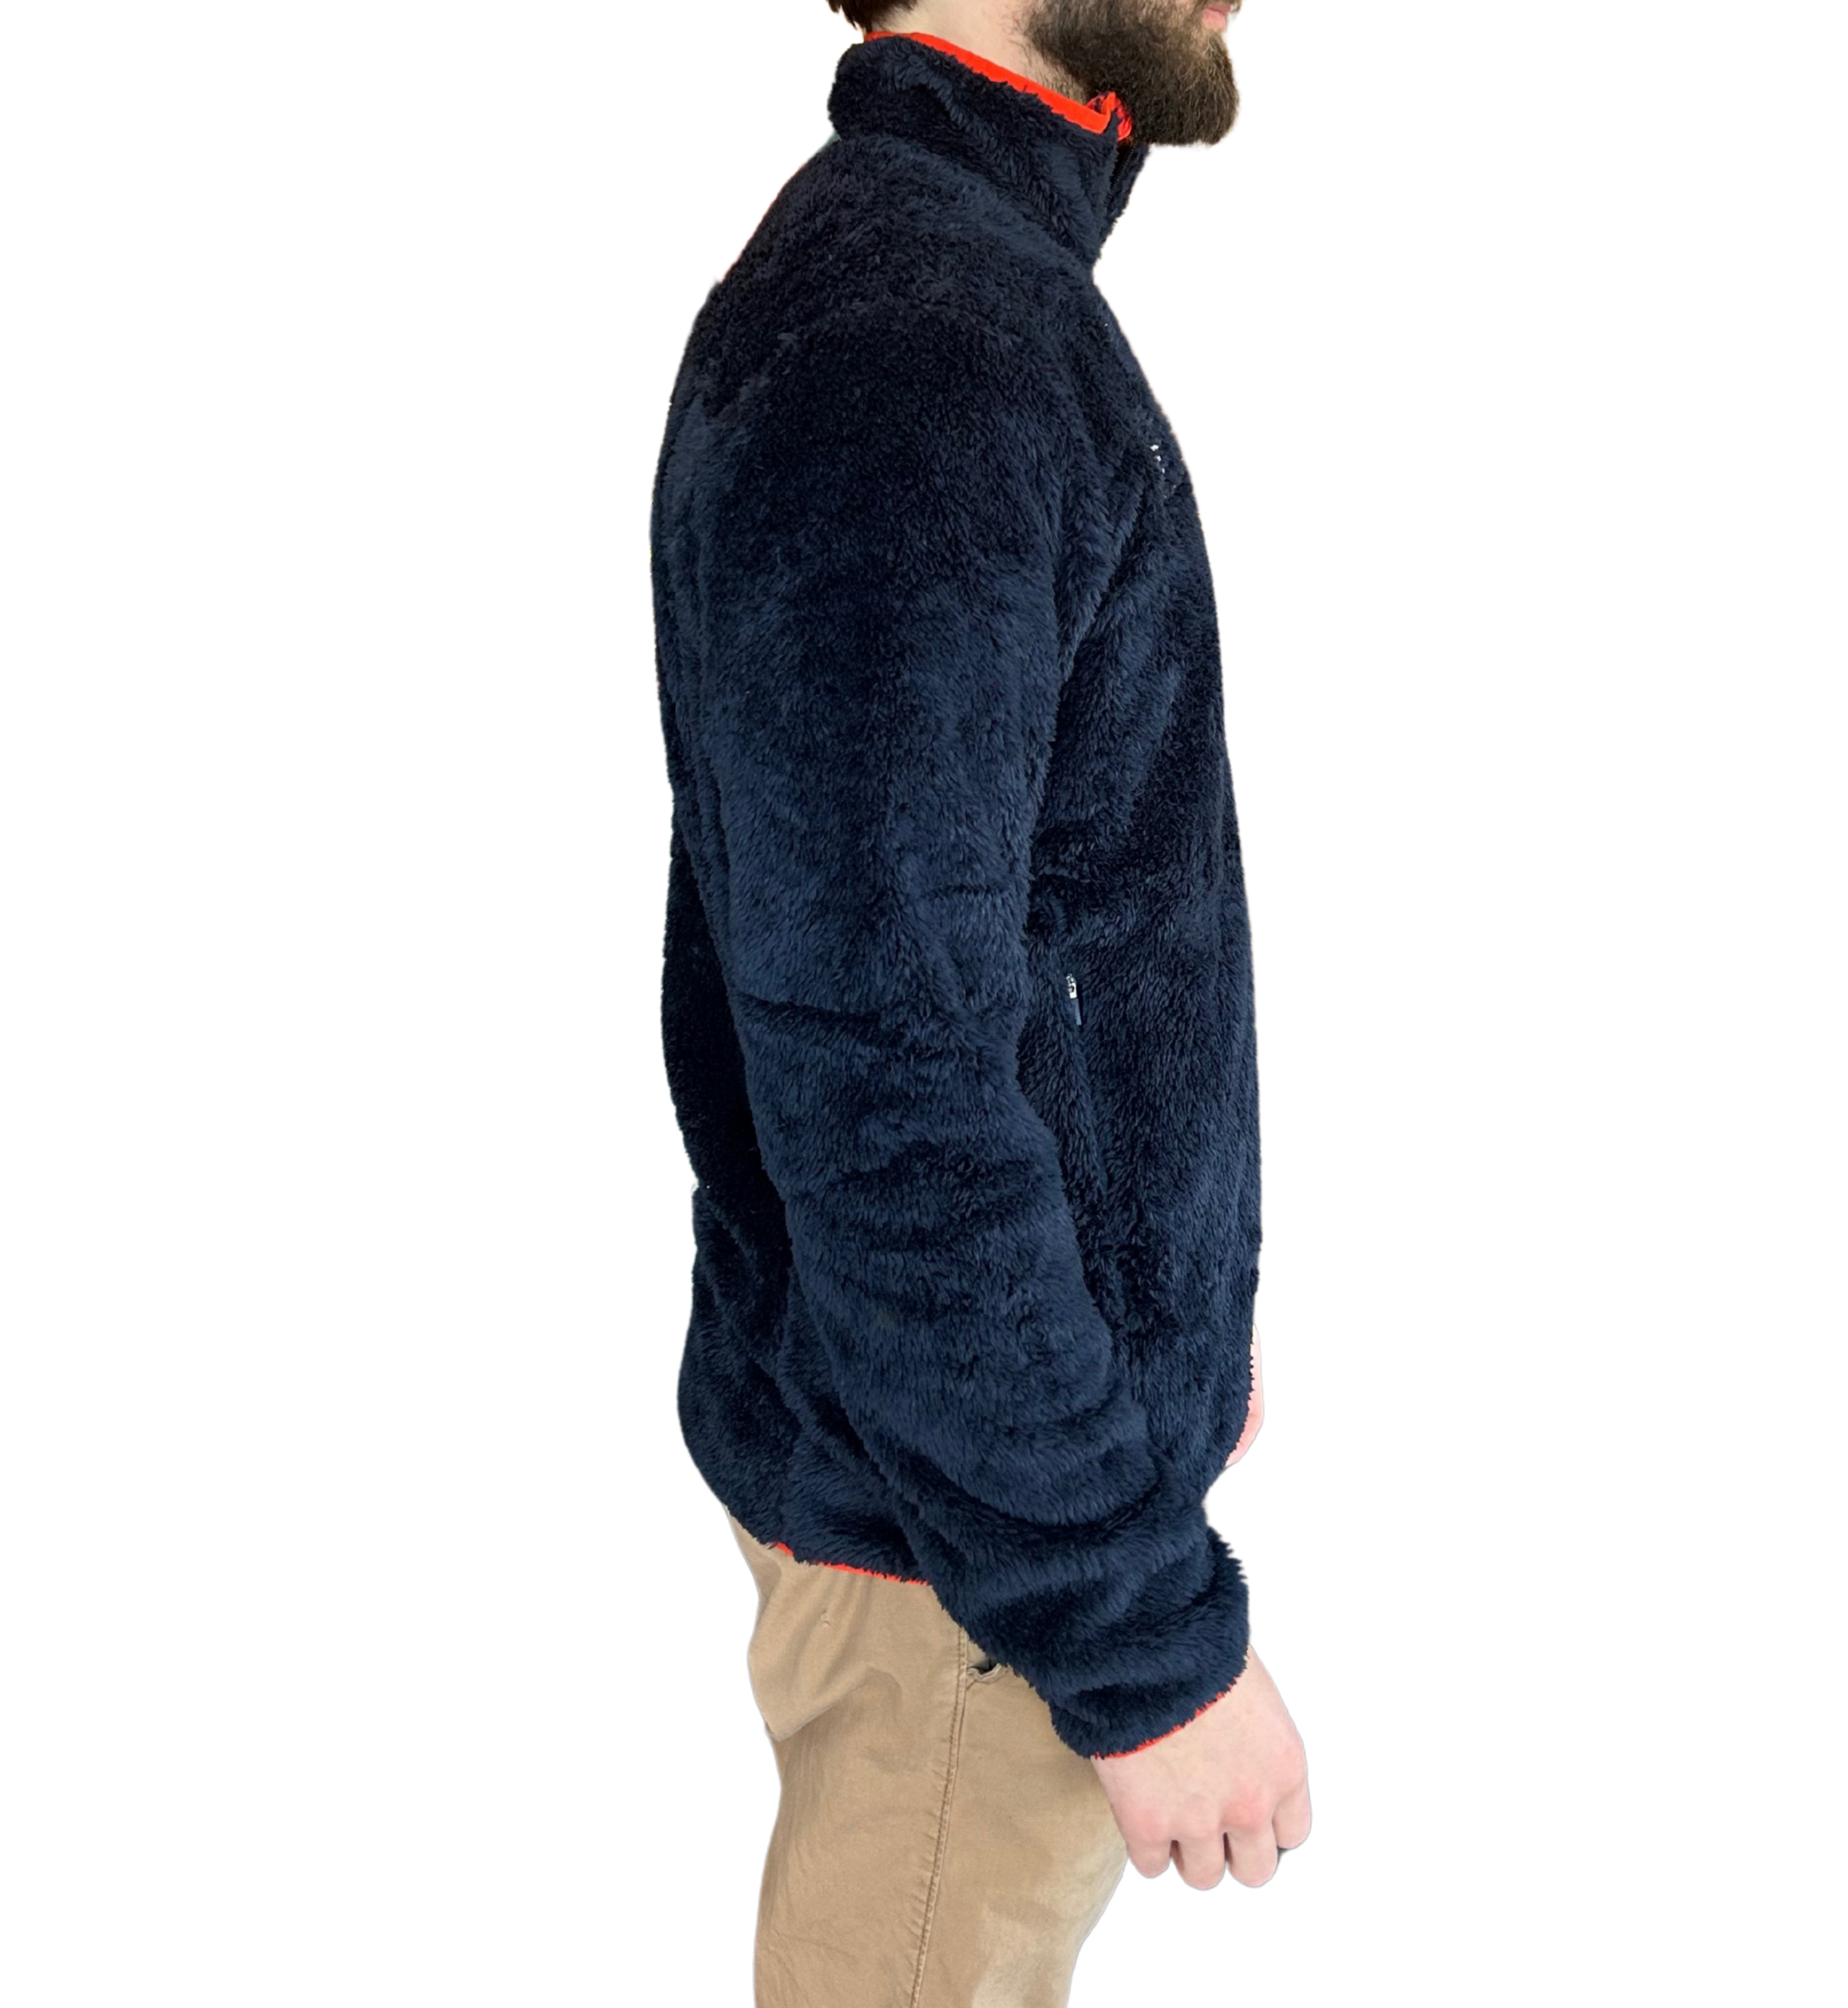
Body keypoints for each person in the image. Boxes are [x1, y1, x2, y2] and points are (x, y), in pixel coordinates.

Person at [649, 0, 1309, 1998]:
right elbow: (886, 1084)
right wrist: (1132, 1626)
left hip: (965, 1520)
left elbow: (1011, 949)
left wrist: (1166, 1323)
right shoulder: (922, 339)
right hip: (970, 1587)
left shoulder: (944, 289)